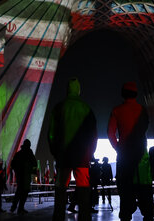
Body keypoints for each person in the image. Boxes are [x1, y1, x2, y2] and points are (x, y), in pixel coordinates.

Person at [48, 77, 98, 221]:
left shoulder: (59, 108)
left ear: (67, 89)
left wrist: (56, 152)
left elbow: (51, 134)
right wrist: (90, 153)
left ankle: (58, 217)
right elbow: (93, 135)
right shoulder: (86, 108)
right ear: (79, 90)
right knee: (83, 192)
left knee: (61, 189)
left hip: (63, 156)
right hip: (82, 157)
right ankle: (84, 217)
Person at [107, 81, 154, 221]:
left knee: (126, 190)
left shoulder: (116, 110)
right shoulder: (143, 110)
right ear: (136, 93)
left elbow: (110, 133)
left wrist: (119, 148)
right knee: (145, 189)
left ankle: (127, 213)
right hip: (141, 155)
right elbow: (145, 128)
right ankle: (148, 213)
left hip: (125, 156)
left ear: (123, 93)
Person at [10, 139, 37, 214]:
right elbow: (34, 164)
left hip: (21, 176)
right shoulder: (29, 153)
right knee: (23, 192)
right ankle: (20, 208)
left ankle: (14, 207)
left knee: (19, 192)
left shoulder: (18, 154)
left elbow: (13, 165)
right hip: (25, 176)